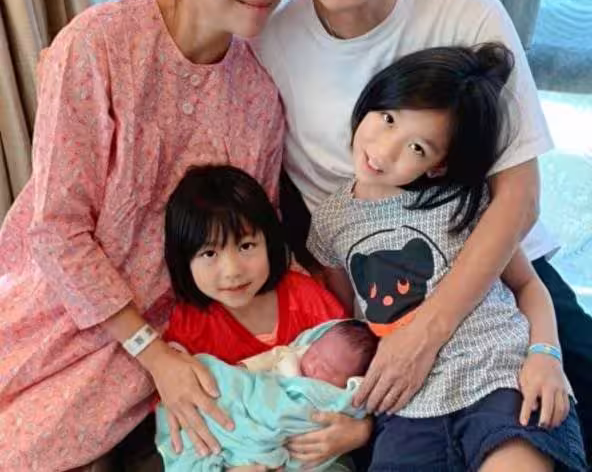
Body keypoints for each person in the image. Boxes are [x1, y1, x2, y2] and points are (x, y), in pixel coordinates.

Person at [254, 0, 592, 459]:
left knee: (567, 403)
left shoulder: (468, 16)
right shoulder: (266, 44)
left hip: (496, 266)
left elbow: (518, 199)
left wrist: (428, 333)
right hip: (374, 291)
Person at [0, 0, 293, 471]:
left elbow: (253, 242)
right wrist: (150, 352)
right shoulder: (97, 46)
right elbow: (56, 230)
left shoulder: (260, 97)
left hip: (166, 336)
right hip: (53, 307)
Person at [307, 43, 587, 471]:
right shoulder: (330, 222)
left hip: (499, 379)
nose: (384, 150)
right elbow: (347, 321)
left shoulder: (466, 202)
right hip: (405, 406)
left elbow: (529, 284)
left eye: (417, 148)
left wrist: (546, 355)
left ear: (439, 165)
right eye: (387, 119)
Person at [160, 165, 374, 470]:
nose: (233, 270)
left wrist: (360, 432)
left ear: (269, 242)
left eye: (246, 246)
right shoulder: (190, 328)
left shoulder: (307, 300)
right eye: (209, 253)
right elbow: (182, 424)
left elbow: (362, 378)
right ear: (183, 260)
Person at [242, 318, 378, 387]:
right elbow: (271, 357)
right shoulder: (294, 355)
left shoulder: (335, 396)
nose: (312, 366)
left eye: (325, 369)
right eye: (313, 353)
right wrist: (245, 367)